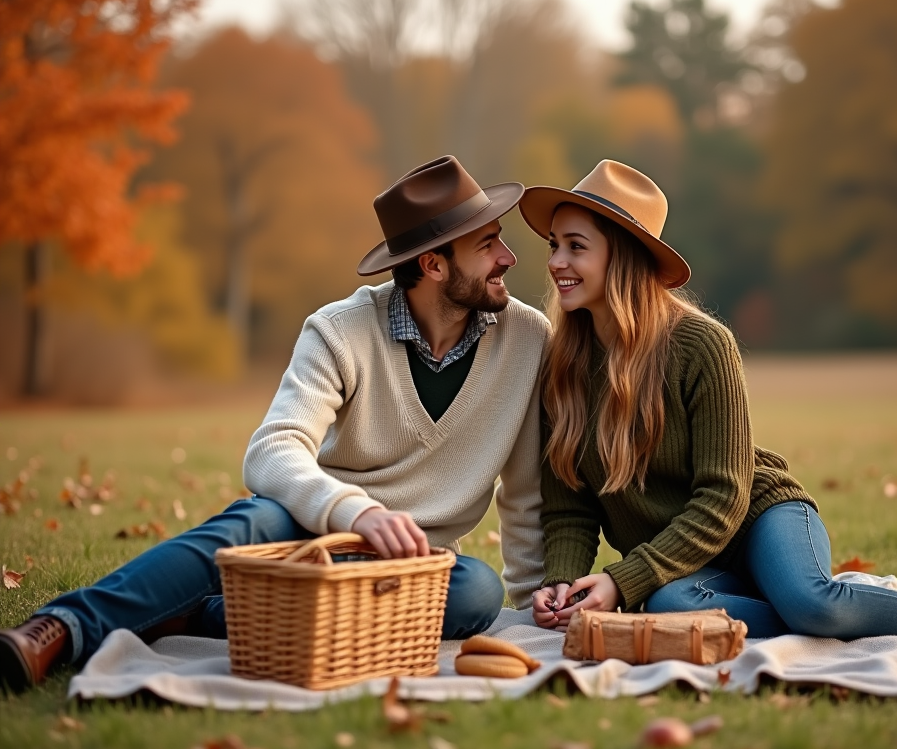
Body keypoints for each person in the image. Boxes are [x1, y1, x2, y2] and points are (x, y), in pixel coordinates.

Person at [0, 155, 550, 694]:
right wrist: (357, 512)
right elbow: (272, 450)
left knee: (476, 591)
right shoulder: (340, 331)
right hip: (308, 531)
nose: (507, 257)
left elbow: (526, 495)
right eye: (487, 245)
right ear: (433, 265)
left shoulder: (527, 339)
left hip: (408, 567)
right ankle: (61, 630)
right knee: (254, 520)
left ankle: (218, 617)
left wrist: (530, 608)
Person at [522, 159, 897, 649]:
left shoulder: (701, 345)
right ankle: (830, 605)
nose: (556, 263)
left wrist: (623, 579)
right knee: (669, 608)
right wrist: (564, 584)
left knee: (812, 605)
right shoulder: (561, 366)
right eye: (554, 246)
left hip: (755, 518)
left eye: (575, 247)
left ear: (623, 256)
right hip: (683, 563)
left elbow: (724, 496)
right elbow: (570, 508)